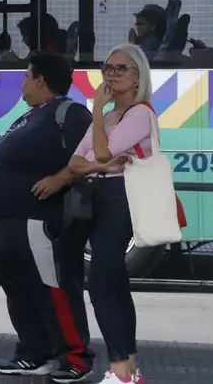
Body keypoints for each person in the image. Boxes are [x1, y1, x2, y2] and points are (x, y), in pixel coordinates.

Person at [0, 52, 97, 382]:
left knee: (52, 290)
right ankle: (34, 353)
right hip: (3, 222)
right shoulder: (29, 117)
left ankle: (76, 357)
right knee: (20, 291)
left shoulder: (68, 113)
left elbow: (93, 152)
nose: (22, 83)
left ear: (40, 79)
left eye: (26, 76)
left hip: (33, 220)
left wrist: (60, 178)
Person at [67, 44, 155, 384]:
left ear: (137, 76)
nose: (111, 74)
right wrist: (98, 162)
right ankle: (129, 370)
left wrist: (97, 110)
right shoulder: (106, 118)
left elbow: (102, 151)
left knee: (101, 282)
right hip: (98, 196)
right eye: (108, 68)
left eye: (120, 68)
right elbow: (76, 163)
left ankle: (120, 370)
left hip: (120, 197)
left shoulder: (140, 113)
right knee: (115, 282)